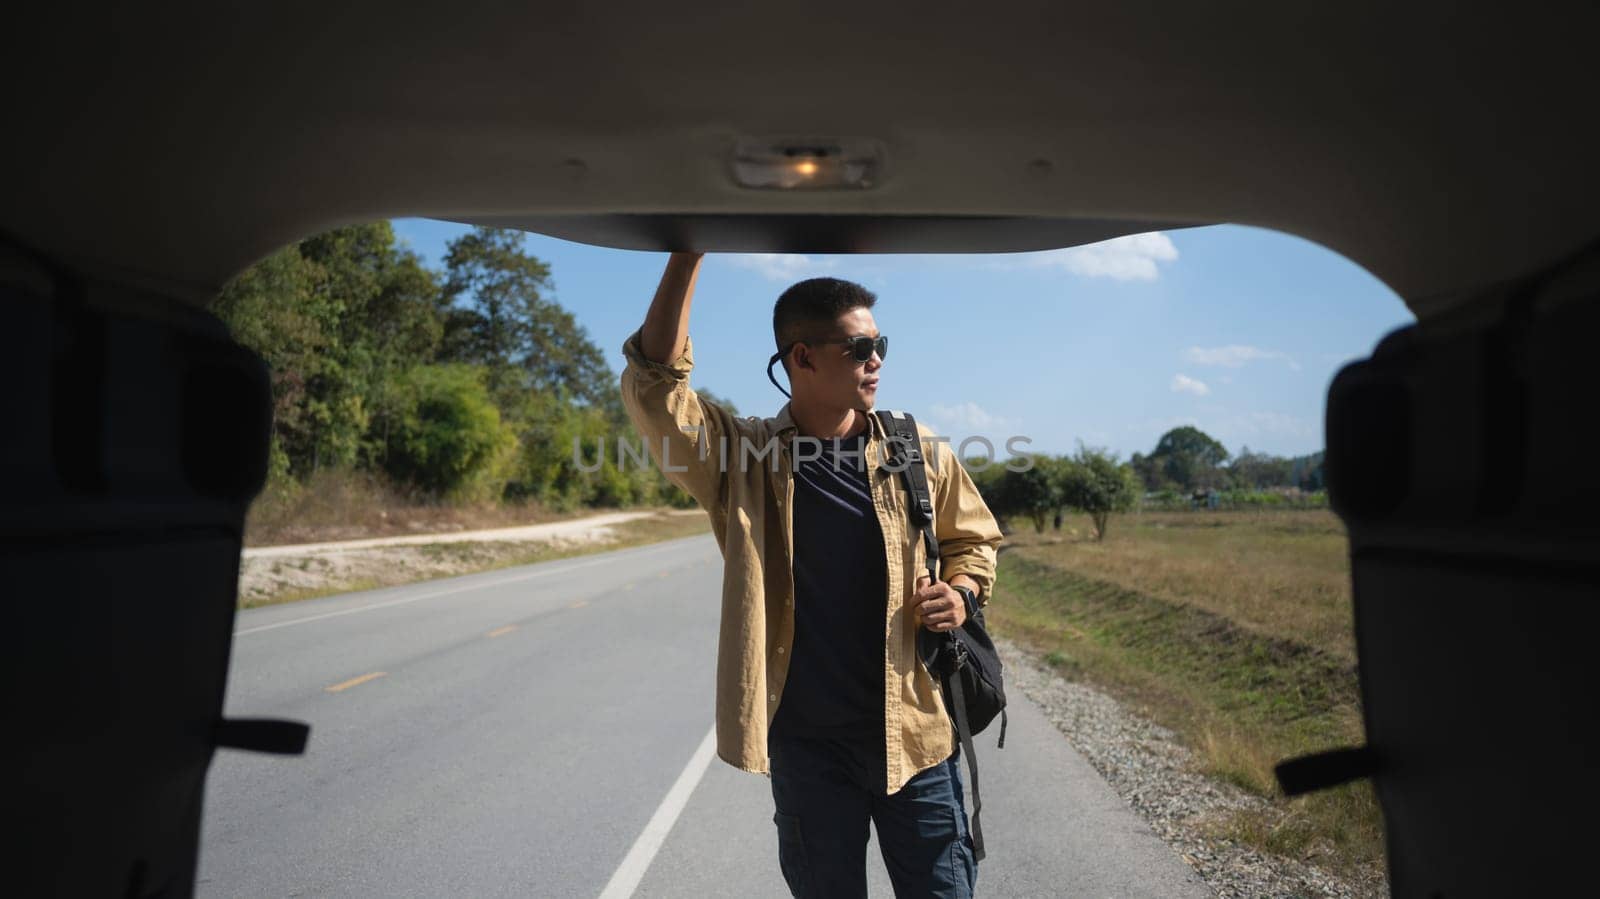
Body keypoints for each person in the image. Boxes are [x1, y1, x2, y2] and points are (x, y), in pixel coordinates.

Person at [620, 252, 1004, 898]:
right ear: (801, 358)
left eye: (880, 344)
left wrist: (961, 593)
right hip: (809, 753)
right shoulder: (742, 460)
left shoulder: (916, 450)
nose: (876, 359)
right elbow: (657, 391)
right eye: (859, 347)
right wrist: (688, 252)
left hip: (914, 737)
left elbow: (976, 539)